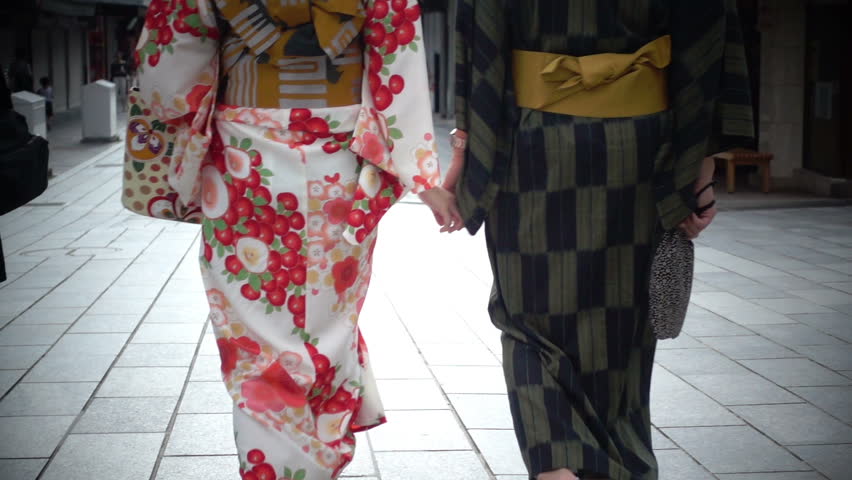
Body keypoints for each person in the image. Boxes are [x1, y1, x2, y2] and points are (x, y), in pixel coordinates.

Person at [132, 1, 460, 478]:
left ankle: (276, 466)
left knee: (256, 335)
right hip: (341, 156)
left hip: (242, 159)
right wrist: (421, 173)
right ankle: (318, 451)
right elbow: (396, 52)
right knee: (328, 324)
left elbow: (170, 66)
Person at [447, 1, 754, 479]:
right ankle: (617, 461)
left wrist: (467, 151)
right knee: (623, 330)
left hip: (534, 146)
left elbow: (480, 32)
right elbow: (707, 27)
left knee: (528, 320)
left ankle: (557, 462)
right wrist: (700, 164)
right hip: (640, 149)